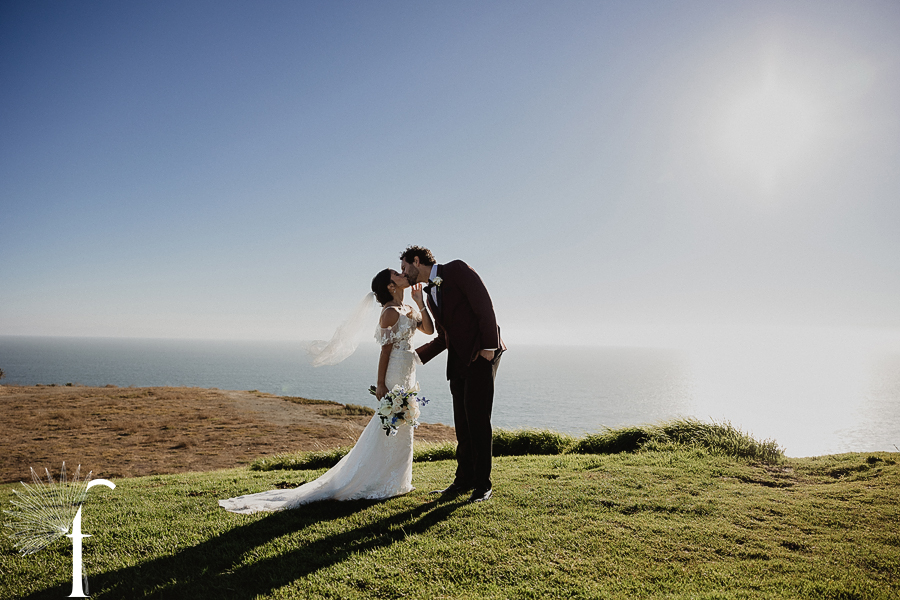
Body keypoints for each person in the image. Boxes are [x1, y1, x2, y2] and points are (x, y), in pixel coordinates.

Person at [218, 269, 434, 514]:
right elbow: (385, 352)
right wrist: (381, 384)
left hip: (409, 372)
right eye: (396, 274)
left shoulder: (408, 309)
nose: (403, 273)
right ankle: (377, 479)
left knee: (402, 423)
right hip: (395, 372)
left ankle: (398, 481)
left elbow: (428, 329)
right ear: (390, 286)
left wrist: (420, 303)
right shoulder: (389, 314)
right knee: (388, 421)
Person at [400, 246, 505, 503]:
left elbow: (484, 305)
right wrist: (416, 356)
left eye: (404, 267)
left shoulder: (456, 269)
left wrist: (489, 347)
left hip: (481, 355)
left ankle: (483, 485)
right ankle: (463, 480)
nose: (404, 273)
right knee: (463, 424)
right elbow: (445, 335)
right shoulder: (431, 291)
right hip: (458, 361)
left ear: (417, 261)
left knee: (478, 421)